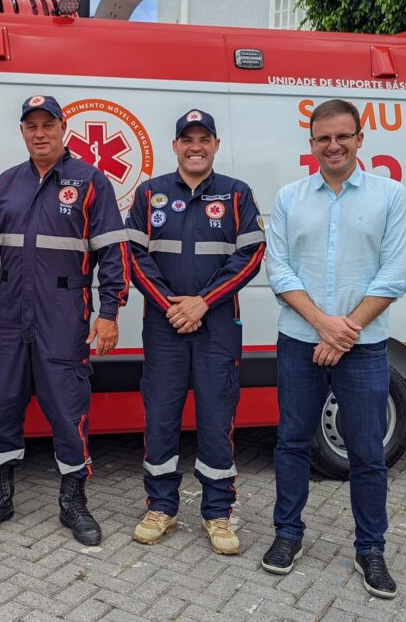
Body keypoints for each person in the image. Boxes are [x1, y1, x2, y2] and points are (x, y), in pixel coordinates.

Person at [0, 95, 128, 546]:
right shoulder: (5, 184)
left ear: (63, 128)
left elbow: (113, 253)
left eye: (48, 124)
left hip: (63, 316)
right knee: (4, 402)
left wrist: (109, 313)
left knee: (68, 409)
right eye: (31, 126)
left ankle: (73, 503)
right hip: (11, 314)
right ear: (23, 132)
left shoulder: (90, 182)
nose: (39, 133)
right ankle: (0, 495)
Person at [263, 99, 406, 598]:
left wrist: (344, 330)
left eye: (342, 136)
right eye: (323, 138)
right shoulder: (289, 198)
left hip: (365, 348)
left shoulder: (390, 196)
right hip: (299, 343)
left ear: (359, 139)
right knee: (290, 443)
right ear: (311, 144)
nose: (333, 145)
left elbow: (394, 275)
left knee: (368, 453)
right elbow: (279, 271)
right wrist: (323, 325)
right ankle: (288, 535)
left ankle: (370, 548)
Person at [124, 109, 265, 554]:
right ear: (175, 146)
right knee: (161, 418)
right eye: (187, 139)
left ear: (216, 146)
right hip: (164, 327)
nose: (196, 146)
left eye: (204, 138)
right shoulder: (150, 194)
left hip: (217, 325)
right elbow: (132, 256)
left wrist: (203, 302)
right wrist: (172, 305)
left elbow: (251, 257)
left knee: (216, 421)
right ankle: (161, 507)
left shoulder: (237, 194)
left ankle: (218, 514)